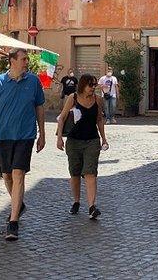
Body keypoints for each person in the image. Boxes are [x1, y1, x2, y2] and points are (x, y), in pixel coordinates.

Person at [0, 49, 46, 242]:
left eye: (27, 59)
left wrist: (42, 133)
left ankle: (13, 221)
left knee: (18, 173)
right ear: (12, 61)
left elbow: (39, 108)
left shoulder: (34, 82)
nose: (27, 62)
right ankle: (19, 205)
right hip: (3, 135)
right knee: (7, 175)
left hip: (25, 135)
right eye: (24, 59)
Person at [55, 73, 109, 220]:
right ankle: (76, 201)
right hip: (74, 141)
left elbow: (99, 120)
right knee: (75, 173)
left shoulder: (97, 100)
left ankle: (92, 206)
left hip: (92, 141)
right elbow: (62, 118)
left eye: (94, 85)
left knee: (90, 173)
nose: (93, 88)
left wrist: (104, 139)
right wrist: (59, 138)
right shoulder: (72, 98)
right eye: (90, 85)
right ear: (83, 85)